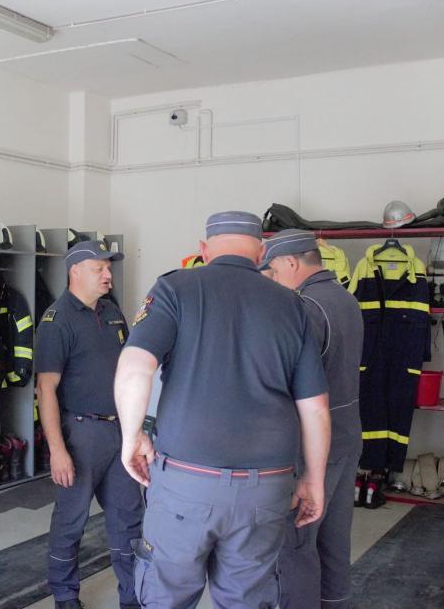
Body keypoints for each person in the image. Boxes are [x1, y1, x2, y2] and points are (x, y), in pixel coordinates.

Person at [115, 211, 331, 609]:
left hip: (186, 482)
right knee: (247, 599)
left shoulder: (175, 288)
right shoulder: (292, 305)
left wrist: (132, 436)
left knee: (165, 596)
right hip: (266, 488)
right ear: (261, 252)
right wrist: (314, 480)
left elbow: (134, 368)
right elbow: (315, 409)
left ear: (203, 249)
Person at [260, 229, 364, 609]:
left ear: (291, 263)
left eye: (273, 271)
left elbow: (283, 380)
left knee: (296, 544)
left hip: (312, 445)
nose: (273, 280)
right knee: (334, 543)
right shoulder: (345, 299)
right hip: (347, 435)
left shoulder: (304, 308)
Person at [37, 240, 142, 609]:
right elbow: (45, 389)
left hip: (119, 431)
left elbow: (128, 372)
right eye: (99, 268)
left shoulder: (112, 313)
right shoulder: (57, 320)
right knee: (71, 521)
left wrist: (137, 429)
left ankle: (133, 596)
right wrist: (57, 450)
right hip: (81, 434)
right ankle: (66, 596)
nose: (108, 275)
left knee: (129, 519)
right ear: (75, 271)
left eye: (108, 268)